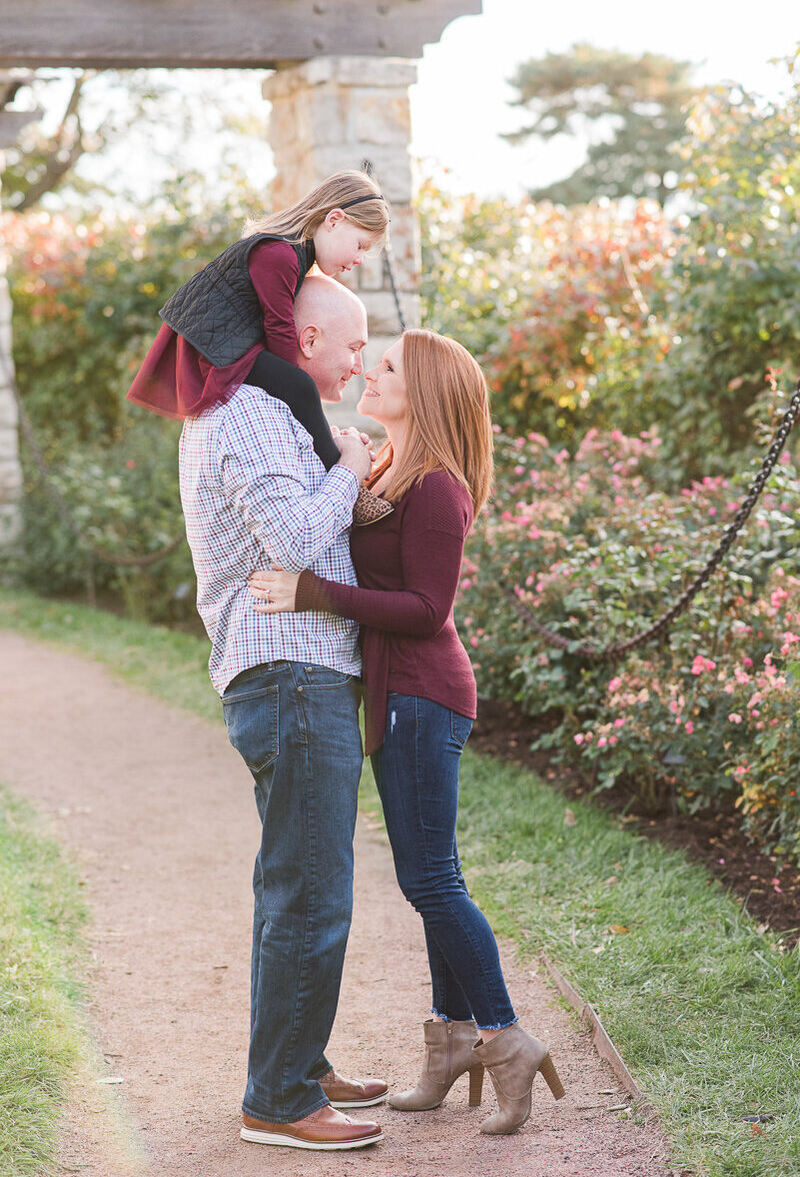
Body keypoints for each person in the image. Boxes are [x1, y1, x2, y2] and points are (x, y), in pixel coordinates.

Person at [247, 329, 567, 1136]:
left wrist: (312, 591)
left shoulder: (436, 488)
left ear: (422, 393)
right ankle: (451, 1038)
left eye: (385, 366)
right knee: (429, 879)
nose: (368, 370)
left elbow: (429, 610)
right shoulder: (393, 472)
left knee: (431, 882)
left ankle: (503, 1035)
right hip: (399, 697)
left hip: (424, 696)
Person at [179, 273, 387, 1151]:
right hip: (291, 674)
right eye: (351, 343)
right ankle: (279, 1100)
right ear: (302, 339)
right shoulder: (252, 416)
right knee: (310, 891)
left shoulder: (254, 409)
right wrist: (347, 467)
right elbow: (299, 543)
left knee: (292, 884)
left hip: (292, 672)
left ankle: (298, 1060)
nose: (360, 360)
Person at [128, 168, 392, 523]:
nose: (359, 259)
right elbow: (278, 326)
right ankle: (343, 475)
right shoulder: (279, 254)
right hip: (216, 344)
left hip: (231, 340)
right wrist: (292, 380)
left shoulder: (294, 255)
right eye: (360, 245)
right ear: (334, 219)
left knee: (295, 388)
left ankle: (324, 453)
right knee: (299, 386)